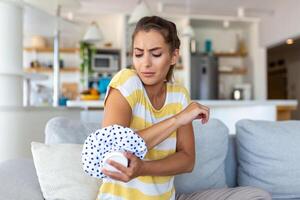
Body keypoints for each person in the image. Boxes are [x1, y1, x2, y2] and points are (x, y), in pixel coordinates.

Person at [98, 16, 271, 200]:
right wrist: (177, 119)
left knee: (257, 195)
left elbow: (187, 160)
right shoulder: (127, 81)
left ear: (174, 56)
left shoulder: (179, 95)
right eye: (138, 54)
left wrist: (143, 168)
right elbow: (112, 148)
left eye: (156, 54)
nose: (145, 63)